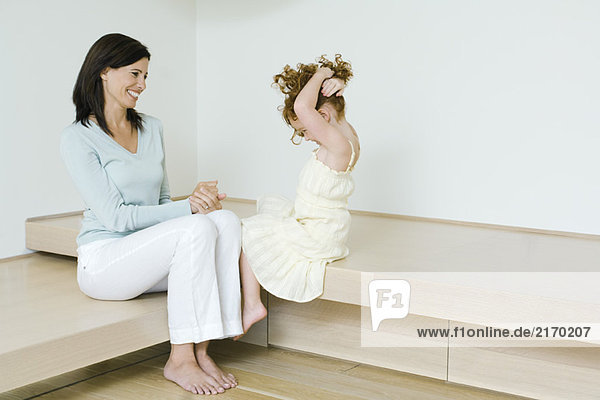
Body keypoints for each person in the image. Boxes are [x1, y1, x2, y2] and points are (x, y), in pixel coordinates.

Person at [60, 33, 241, 395]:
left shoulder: (152, 127)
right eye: (134, 74)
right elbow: (115, 219)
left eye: (145, 76)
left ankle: (202, 348)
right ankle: (180, 358)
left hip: (147, 256)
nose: (142, 85)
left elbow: (161, 202)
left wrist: (198, 204)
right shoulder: (77, 137)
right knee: (195, 227)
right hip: (104, 262)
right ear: (104, 72)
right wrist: (188, 208)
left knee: (225, 221)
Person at [237, 55, 360, 337]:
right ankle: (250, 301)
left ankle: (252, 305)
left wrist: (324, 72)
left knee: (249, 232)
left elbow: (302, 105)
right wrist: (336, 83)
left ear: (323, 117)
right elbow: (314, 107)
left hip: (319, 235)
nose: (306, 137)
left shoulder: (338, 144)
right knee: (270, 205)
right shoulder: (349, 134)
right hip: (326, 226)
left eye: (305, 130)